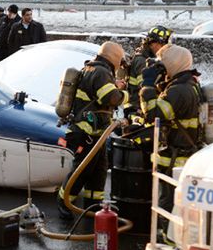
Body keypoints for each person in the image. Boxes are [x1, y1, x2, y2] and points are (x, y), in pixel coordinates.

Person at [56, 42, 128, 219]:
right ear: (114, 58)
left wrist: (114, 84)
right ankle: (63, 201)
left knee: (99, 170)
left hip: (95, 132)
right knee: (82, 169)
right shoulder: (101, 72)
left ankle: (93, 206)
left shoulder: (93, 69)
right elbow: (110, 97)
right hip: (85, 132)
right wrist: (125, 93)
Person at [139, 44, 201, 228]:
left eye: (162, 64)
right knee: (172, 203)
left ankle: (166, 241)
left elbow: (153, 114)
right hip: (181, 156)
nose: (160, 69)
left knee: (168, 206)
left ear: (173, 64)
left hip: (175, 160)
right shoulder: (186, 84)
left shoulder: (179, 90)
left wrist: (148, 86)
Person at [125, 25, 172, 119]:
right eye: (162, 44)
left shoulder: (148, 56)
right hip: (138, 109)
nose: (164, 48)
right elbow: (145, 88)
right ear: (152, 43)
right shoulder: (142, 61)